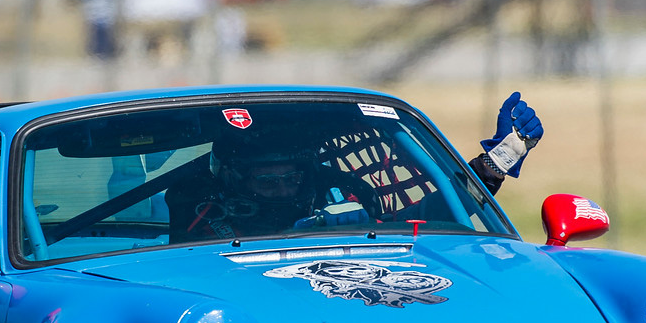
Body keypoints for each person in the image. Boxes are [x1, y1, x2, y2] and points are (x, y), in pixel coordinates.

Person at [175, 92, 543, 239]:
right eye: (268, 181)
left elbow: (421, 220)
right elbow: (197, 263)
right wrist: (297, 233)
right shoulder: (202, 211)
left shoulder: (338, 193)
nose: (283, 189)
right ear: (234, 180)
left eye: (291, 177)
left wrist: (495, 164)